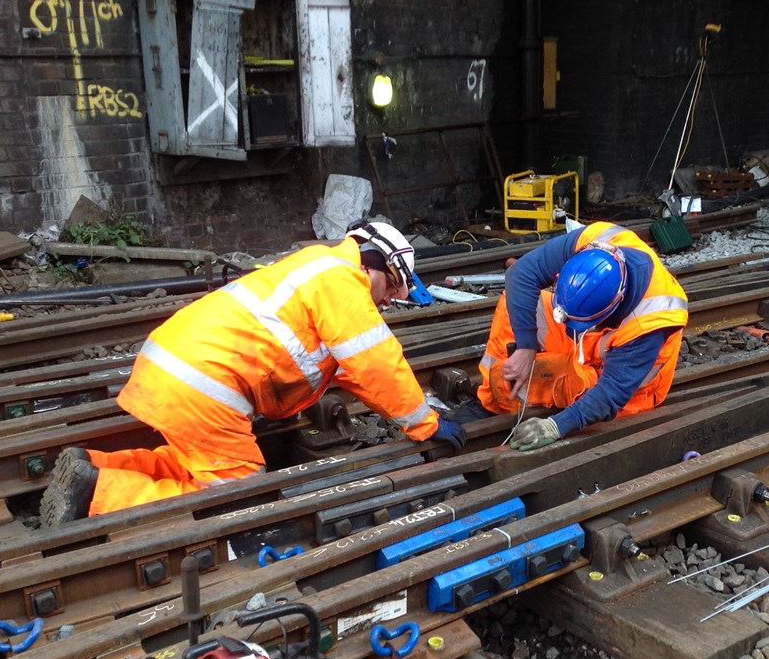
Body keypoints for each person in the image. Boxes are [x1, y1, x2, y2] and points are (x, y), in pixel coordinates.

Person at [40, 221, 467, 527]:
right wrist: (426, 424)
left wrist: (405, 419)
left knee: (202, 465)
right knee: (235, 488)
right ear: (375, 264)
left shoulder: (317, 267)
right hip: (201, 384)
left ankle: (92, 466)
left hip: (174, 367)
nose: (392, 300)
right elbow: (377, 362)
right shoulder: (343, 280)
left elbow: (358, 374)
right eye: (392, 286)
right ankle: (100, 495)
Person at [459, 220, 688, 451]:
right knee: (516, 304)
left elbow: (610, 394)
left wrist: (555, 426)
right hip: (595, 340)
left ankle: (550, 399)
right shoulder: (598, 238)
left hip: (630, 382)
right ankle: (491, 403)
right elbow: (521, 275)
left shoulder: (653, 320)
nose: (567, 327)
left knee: (579, 381)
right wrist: (526, 347)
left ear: (611, 310)